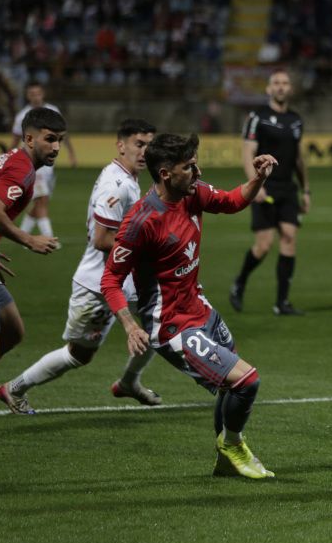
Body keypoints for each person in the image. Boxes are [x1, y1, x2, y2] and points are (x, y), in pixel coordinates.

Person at [101, 133, 278, 478]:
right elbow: (110, 279)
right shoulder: (141, 222)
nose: (197, 170)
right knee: (247, 380)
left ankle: (226, 459)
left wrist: (258, 179)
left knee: (230, 380)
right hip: (171, 324)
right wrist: (129, 324)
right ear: (166, 173)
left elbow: (230, 201)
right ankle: (232, 444)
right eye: (189, 166)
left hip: (199, 306)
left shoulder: (192, 192)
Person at [0, 120, 160, 415]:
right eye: (139, 144)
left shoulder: (128, 178)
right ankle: (14, 388)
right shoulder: (117, 184)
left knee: (160, 323)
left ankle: (129, 381)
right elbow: (101, 240)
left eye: (150, 145)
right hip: (97, 284)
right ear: (121, 145)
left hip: (123, 279)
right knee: (79, 355)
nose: (145, 151)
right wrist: (147, 248)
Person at [0, 108, 64, 433]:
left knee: (13, 330)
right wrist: (29, 240)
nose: (55, 147)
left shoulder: (10, 160)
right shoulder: (22, 170)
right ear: (29, 138)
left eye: (60, 141)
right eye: (49, 139)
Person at [228, 70, 309, 316]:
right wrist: (256, 184)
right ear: (268, 89)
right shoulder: (257, 117)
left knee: (289, 239)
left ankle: (282, 303)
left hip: (288, 188)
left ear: (290, 89)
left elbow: (298, 159)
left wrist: (306, 190)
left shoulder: (296, 120)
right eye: (276, 83)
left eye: (285, 83)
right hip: (265, 186)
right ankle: (239, 282)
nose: (281, 87)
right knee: (263, 246)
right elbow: (247, 153)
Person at [11, 82, 77, 241]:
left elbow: (63, 134)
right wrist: (9, 157)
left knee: (41, 201)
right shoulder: (22, 116)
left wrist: (72, 153)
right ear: (28, 96)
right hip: (32, 162)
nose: (35, 96)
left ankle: (22, 235)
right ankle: (49, 239)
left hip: (48, 164)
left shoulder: (53, 111)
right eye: (32, 94)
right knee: (42, 201)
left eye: (38, 93)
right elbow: (14, 140)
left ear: (43, 94)